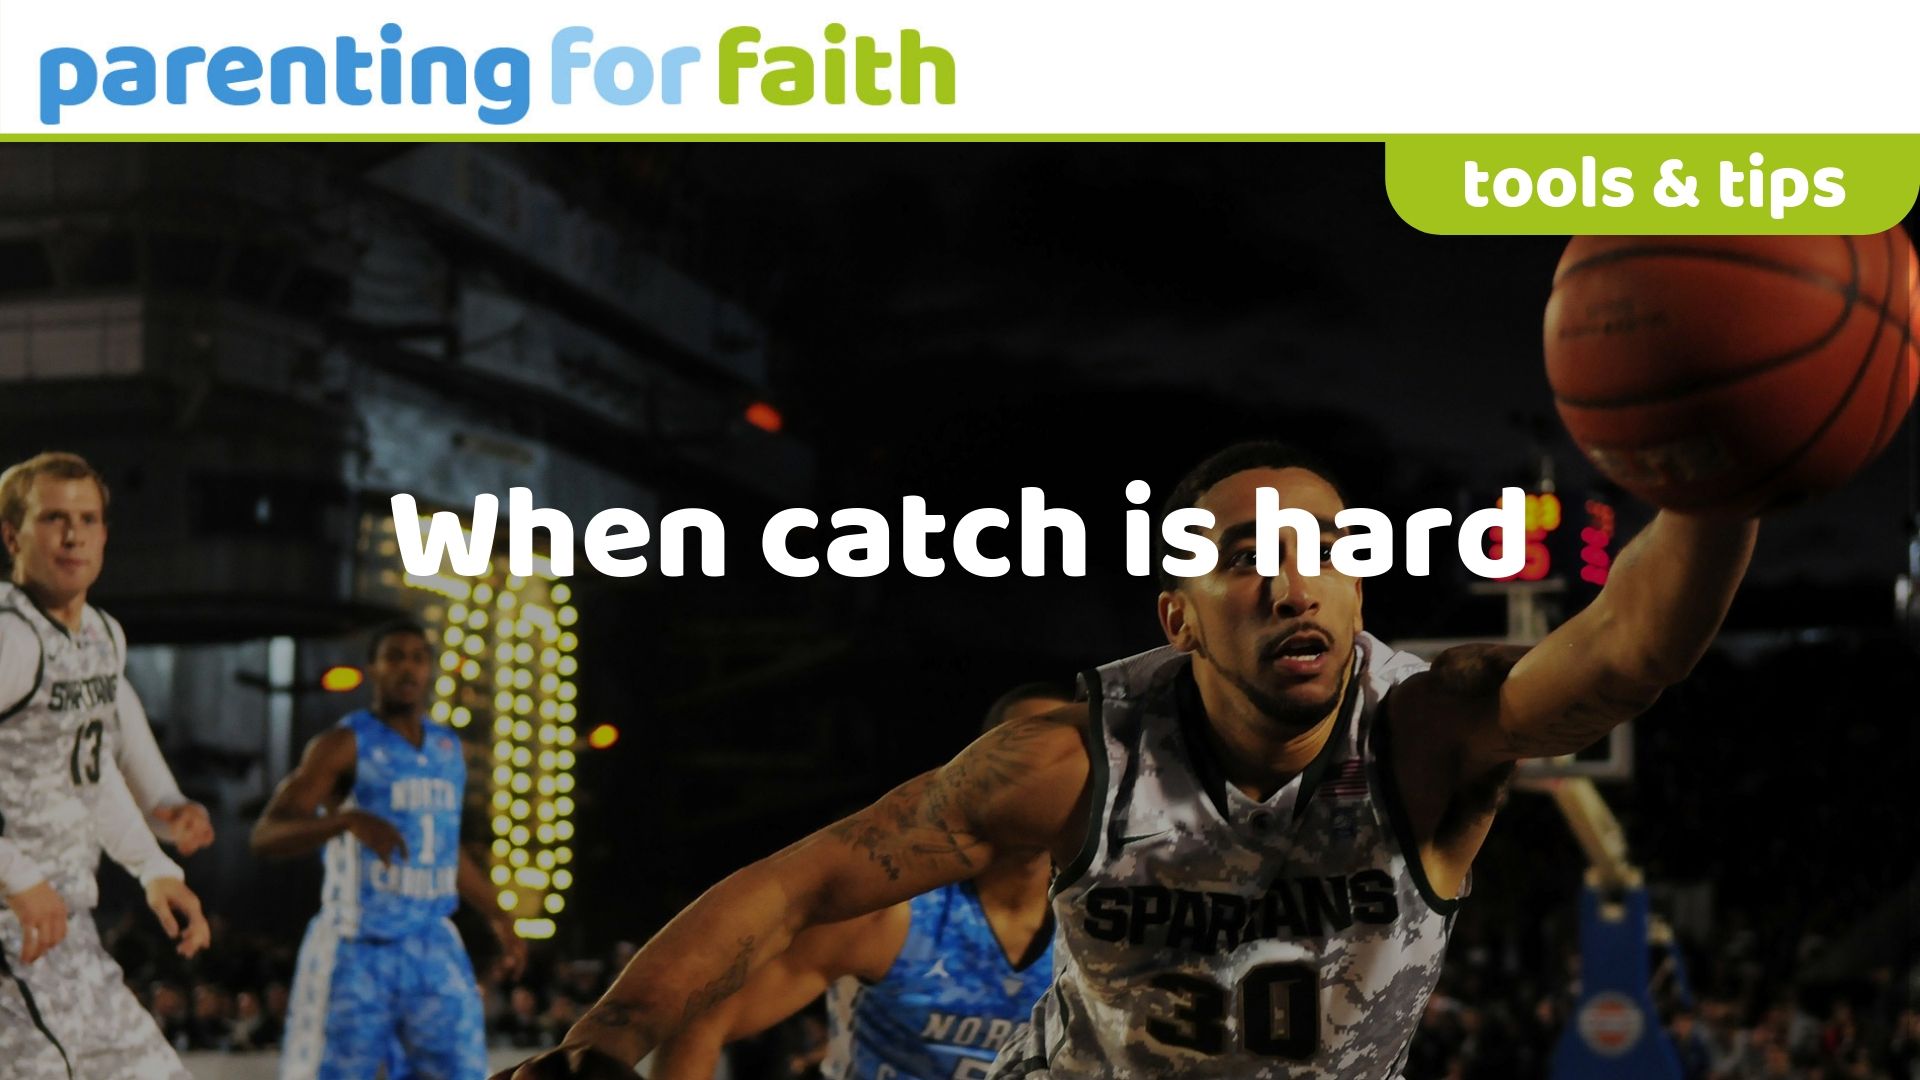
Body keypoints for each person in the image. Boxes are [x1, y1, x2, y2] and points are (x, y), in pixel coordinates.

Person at [499, 439, 1758, 1080]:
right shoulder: (1067, 758)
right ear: (1179, 616)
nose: (1285, 580)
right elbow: (804, 883)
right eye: (1242, 556)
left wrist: (1721, 469)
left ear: (1358, 582)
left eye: (1321, 545)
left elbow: (1629, 648)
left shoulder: (1428, 733)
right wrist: (606, 1042)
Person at [650, 683, 1072, 1080]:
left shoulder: (1097, 927)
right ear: (977, 773)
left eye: (1063, 759)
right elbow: (701, 1020)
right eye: (1023, 753)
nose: (1040, 776)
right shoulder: (893, 912)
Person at [0, 450, 214, 1079]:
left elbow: (92, 775)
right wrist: (14, 873)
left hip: (63, 931)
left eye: (88, 518)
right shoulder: (8, 638)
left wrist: (154, 866)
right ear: (12, 535)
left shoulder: (100, 635)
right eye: (53, 518)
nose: (73, 534)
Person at [252, 619, 529, 1080]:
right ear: (373, 670)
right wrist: (344, 820)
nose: (407, 668)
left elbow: (446, 851)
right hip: (356, 943)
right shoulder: (343, 744)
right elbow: (265, 834)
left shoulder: (446, 747)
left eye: (418, 658)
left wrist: (500, 915)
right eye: (394, 657)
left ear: (430, 671)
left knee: (461, 1073)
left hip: (430, 940)